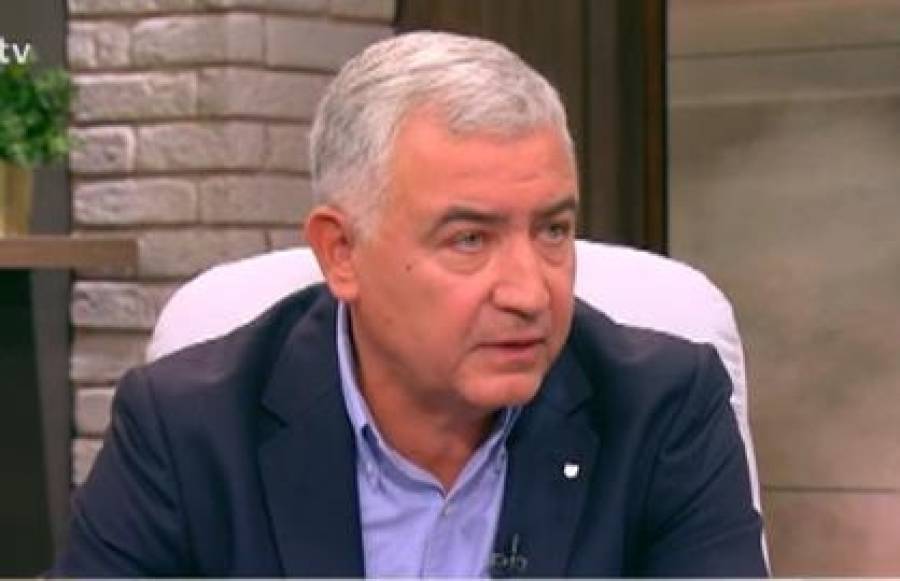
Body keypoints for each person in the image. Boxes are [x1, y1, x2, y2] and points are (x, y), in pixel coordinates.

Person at [51, 31, 766, 577]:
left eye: (553, 230)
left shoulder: (662, 409)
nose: (529, 292)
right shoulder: (188, 428)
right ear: (341, 252)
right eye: (469, 239)